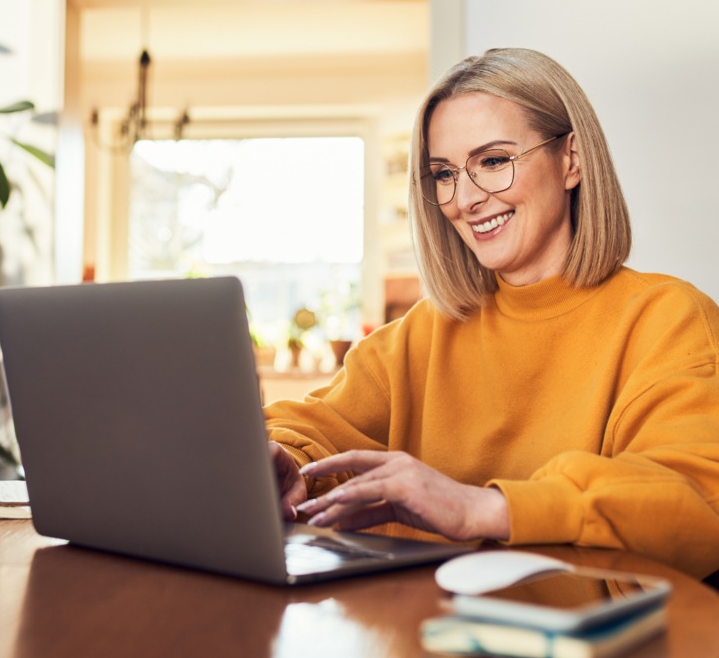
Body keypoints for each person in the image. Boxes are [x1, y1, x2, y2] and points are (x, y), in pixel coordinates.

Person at [265, 47, 719, 580]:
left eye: (494, 161)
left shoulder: (667, 320)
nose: (465, 199)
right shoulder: (420, 336)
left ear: (571, 160)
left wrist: (484, 508)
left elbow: (695, 502)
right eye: (443, 173)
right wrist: (285, 460)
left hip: (579, 634)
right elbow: (308, 426)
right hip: (419, 627)